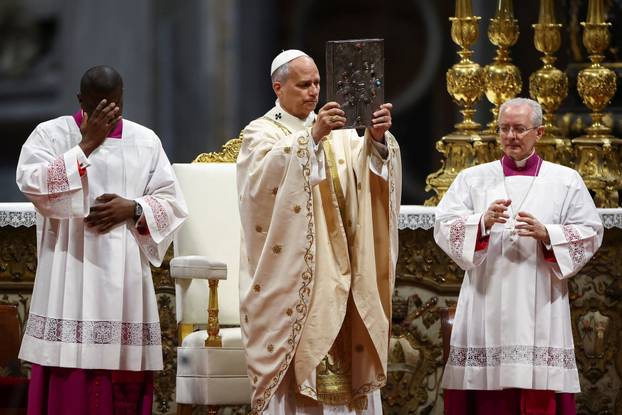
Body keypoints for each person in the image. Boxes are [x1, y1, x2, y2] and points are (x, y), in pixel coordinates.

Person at [236, 49, 402, 414]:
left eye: (316, 83)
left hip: (342, 269)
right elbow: (259, 191)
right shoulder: (261, 132)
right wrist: (310, 138)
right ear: (278, 88)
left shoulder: (339, 132)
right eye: (303, 84)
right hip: (295, 276)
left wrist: (375, 139)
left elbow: (366, 176)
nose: (313, 92)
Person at [16, 65, 188, 414]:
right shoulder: (50, 134)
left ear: (123, 98)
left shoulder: (145, 140)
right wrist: (86, 145)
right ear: (81, 100)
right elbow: (30, 181)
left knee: (119, 368)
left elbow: (172, 203)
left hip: (121, 275)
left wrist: (134, 208)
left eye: (115, 102)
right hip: (69, 269)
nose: (109, 111)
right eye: (98, 104)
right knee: (69, 367)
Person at [434, 97, 603, 415]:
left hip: (540, 300)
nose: (510, 136)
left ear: (539, 132)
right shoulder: (473, 179)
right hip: (486, 296)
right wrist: (481, 223)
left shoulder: (565, 180)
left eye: (519, 129)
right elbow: (444, 225)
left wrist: (548, 235)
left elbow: (590, 231)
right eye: (504, 128)